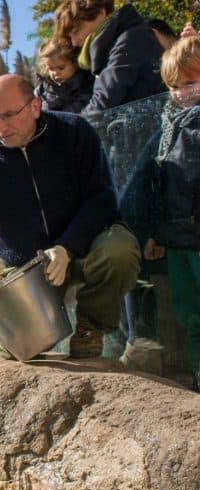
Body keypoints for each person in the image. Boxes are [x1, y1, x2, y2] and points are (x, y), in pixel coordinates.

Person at [0, 74, 141, 359]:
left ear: (35, 106)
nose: (0, 127)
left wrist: (67, 247)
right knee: (18, 351)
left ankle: (90, 325)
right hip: (27, 269)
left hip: (83, 249)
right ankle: (20, 332)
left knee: (119, 249)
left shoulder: (75, 132)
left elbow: (103, 201)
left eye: (9, 115)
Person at [142, 36, 200, 384]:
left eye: (190, 83)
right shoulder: (169, 126)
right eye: (173, 87)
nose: (181, 93)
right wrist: (158, 233)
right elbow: (164, 186)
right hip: (178, 239)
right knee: (190, 314)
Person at [57, 0, 165, 114]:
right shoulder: (111, 45)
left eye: (76, 31)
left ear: (100, 13)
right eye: (70, 36)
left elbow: (106, 99)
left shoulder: (128, 39)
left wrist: (77, 126)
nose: (74, 42)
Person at [35, 38, 95, 113]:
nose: (55, 73)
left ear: (74, 64)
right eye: (51, 69)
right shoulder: (42, 91)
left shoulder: (86, 83)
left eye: (61, 68)